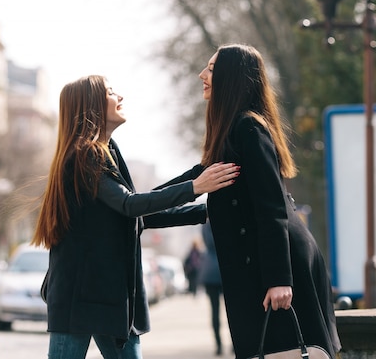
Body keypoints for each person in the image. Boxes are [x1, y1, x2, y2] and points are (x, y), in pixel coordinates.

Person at [30, 75, 239, 359]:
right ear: (90, 104)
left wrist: (205, 209)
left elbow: (137, 214)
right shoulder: (84, 156)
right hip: (79, 299)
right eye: (111, 92)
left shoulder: (108, 152)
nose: (120, 97)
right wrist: (195, 187)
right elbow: (130, 205)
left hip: (109, 297)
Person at [161, 44, 341, 359]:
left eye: (212, 69)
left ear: (232, 78)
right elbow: (196, 178)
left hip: (276, 270)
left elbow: (272, 210)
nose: (202, 75)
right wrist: (138, 207)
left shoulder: (248, 128)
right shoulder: (233, 132)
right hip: (259, 267)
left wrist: (279, 280)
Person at [199, 220, 225, 356]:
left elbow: (208, 242)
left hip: (209, 270)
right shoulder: (224, 220)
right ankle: (232, 343)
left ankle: (219, 345)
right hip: (224, 269)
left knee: (214, 311)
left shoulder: (206, 225)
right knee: (233, 310)